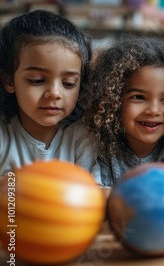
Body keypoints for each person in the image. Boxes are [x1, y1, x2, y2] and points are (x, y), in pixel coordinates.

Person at [86, 37, 164, 191]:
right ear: (113, 101)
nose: (154, 110)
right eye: (138, 97)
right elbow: (97, 194)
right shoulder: (106, 148)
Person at [0, 9, 96, 175]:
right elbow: (10, 200)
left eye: (68, 83)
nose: (54, 93)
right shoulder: (4, 136)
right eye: (37, 80)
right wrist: (11, 190)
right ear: (9, 80)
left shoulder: (83, 137)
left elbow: (91, 195)